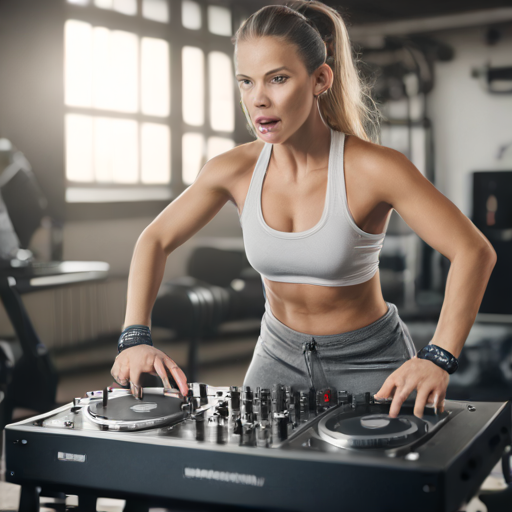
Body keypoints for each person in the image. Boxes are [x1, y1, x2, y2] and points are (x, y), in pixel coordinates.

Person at [111, 1, 496, 419]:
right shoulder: (233, 170)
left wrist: (438, 356)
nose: (258, 99)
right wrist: (135, 337)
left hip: (371, 361)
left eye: (277, 79)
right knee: (256, 479)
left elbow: (473, 251)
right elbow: (155, 238)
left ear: (320, 79)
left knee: (377, 483)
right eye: (245, 82)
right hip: (277, 356)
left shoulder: (375, 168)